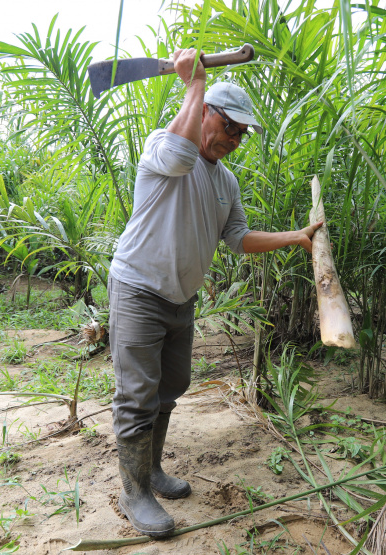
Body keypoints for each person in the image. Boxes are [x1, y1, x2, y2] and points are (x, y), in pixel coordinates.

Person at [107, 48, 322, 537]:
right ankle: (133, 492)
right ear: (205, 114)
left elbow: (237, 239)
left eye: (241, 134)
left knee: (169, 390)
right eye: (229, 127)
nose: (234, 140)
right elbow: (183, 156)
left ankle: (152, 472)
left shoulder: (226, 180)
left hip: (181, 300)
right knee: (137, 396)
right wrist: (194, 83)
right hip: (139, 290)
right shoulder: (164, 146)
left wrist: (296, 237)